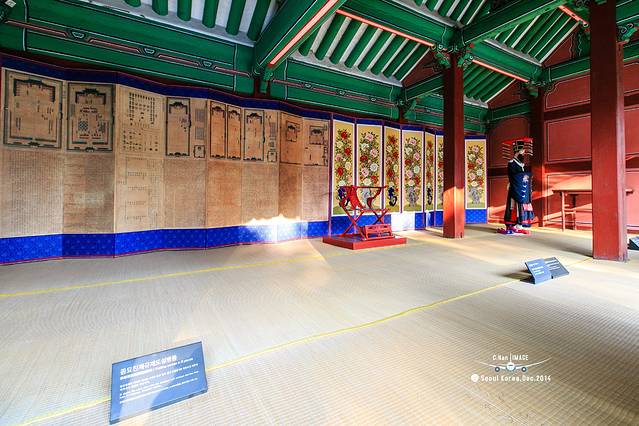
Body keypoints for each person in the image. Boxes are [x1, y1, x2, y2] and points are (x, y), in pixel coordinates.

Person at [500, 139, 534, 235]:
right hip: (515, 187)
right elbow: (513, 175)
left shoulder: (520, 163)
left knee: (521, 205)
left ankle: (520, 224)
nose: (524, 153)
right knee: (514, 206)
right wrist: (522, 177)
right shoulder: (511, 162)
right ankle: (513, 224)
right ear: (517, 151)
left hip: (521, 186)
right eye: (522, 151)